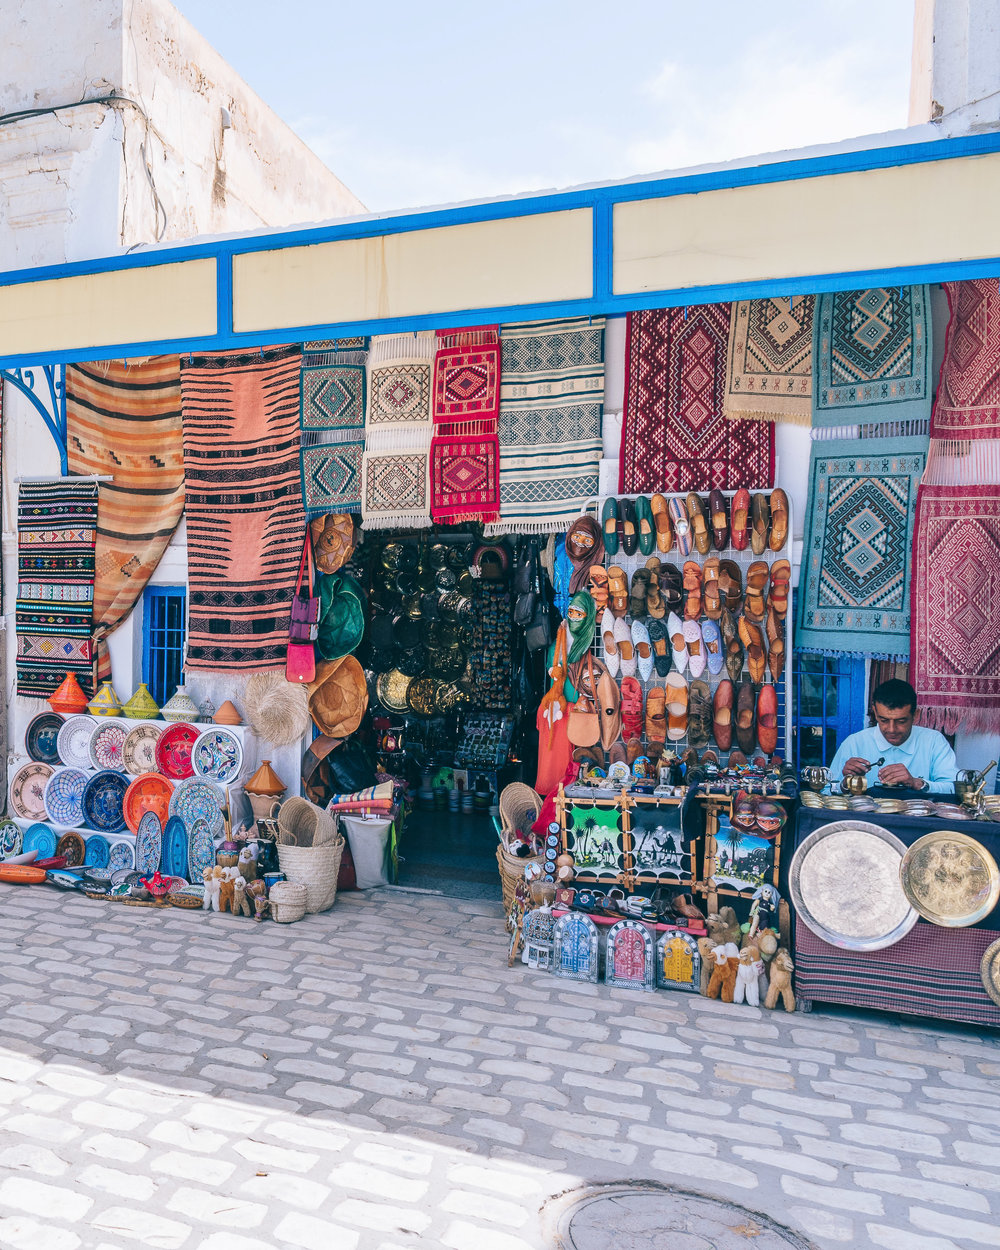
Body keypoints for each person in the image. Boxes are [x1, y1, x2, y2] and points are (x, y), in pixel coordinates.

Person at [827, 679, 957, 794]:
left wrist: (916, 783)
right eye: (883, 720)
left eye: (901, 721)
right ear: (875, 713)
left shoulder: (934, 741)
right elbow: (826, 791)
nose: (891, 729)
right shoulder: (854, 743)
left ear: (916, 715)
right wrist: (846, 783)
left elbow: (953, 788)